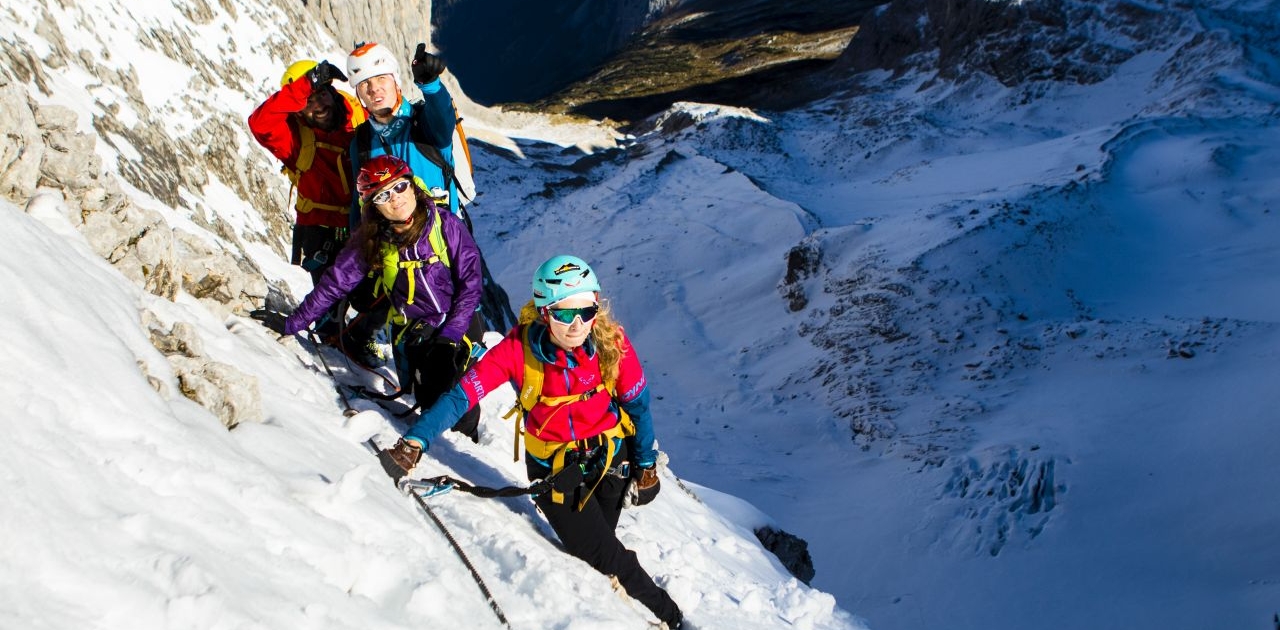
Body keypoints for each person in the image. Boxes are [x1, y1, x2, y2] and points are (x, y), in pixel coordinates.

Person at [378, 255, 684, 629]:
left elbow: (638, 407)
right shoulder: (516, 351)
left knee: (601, 549)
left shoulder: (611, 344)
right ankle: (671, 616)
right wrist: (414, 443)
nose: (576, 326)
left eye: (585, 312)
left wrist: (646, 466)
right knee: (604, 554)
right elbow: (462, 397)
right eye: (562, 314)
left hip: (611, 463)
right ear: (543, 311)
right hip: (556, 473)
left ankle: (619, 596)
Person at [257, 155, 484, 438]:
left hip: (458, 323)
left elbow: (471, 285)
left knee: (451, 395)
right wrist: (293, 323)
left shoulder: (445, 225)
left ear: (413, 186)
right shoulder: (372, 241)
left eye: (400, 187)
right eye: (383, 195)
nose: (395, 199)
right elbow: (335, 283)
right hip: (416, 328)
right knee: (429, 399)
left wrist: (449, 337)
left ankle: (468, 440)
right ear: (373, 206)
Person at [248, 59, 381, 359]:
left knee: (377, 296)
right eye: (307, 101)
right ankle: (337, 342)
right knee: (328, 307)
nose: (317, 105)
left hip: (360, 224)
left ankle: (360, 338)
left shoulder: (358, 117)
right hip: (318, 230)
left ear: (332, 91)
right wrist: (307, 83)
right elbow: (259, 123)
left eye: (321, 94)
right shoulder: (293, 137)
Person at [345, 42, 467, 226]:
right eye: (364, 83)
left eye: (381, 78)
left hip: (445, 244)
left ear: (396, 81)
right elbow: (359, 202)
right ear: (358, 94)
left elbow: (443, 119)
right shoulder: (362, 142)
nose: (374, 88)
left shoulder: (424, 124)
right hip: (392, 250)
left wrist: (431, 85)